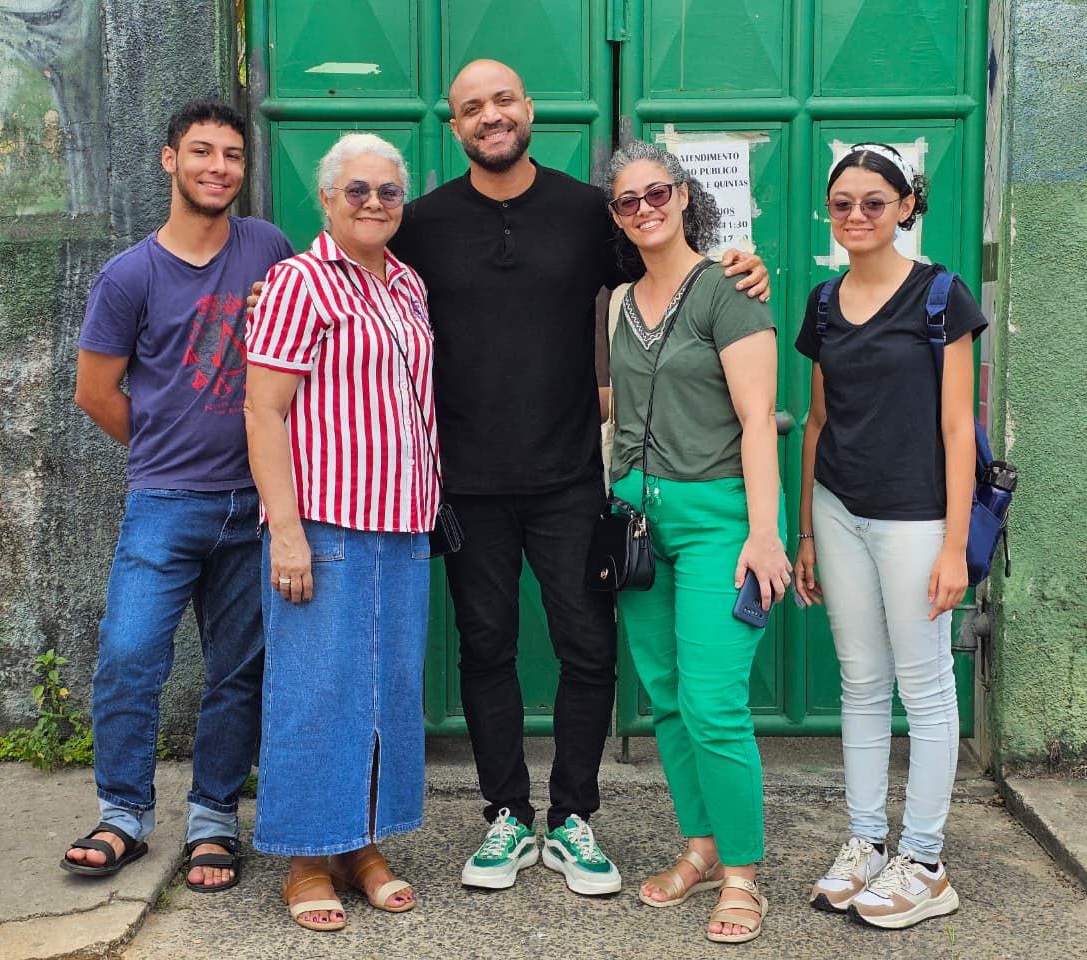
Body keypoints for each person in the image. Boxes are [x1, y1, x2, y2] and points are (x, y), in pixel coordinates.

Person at [384, 59, 771, 897]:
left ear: (529, 109)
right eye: (471, 108)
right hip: (465, 483)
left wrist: (741, 266)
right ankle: (505, 818)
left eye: (503, 101)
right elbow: (357, 276)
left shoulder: (586, 213)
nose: (490, 116)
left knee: (587, 650)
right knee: (486, 650)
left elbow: (668, 264)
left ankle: (572, 819)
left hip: (573, 479)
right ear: (454, 128)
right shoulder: (418, 224)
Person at [63, 100, 293, 891]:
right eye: (202, 152)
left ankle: (213, 818)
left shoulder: (268, 247)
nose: (218, 167)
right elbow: (94, 394)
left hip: (258, 501)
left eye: (232, 155)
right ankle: (123, 812)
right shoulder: (130, 275)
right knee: (129, 656)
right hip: (165, 502)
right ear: (170, 161)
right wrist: (164, 446)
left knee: (239, 669)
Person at [244, 132, 439, 932]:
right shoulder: (298, 282)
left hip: (405, 524)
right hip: (325, 524)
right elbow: (264, 410)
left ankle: (363, 846)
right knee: (316, 692)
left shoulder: (406, 285)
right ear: (326, 199)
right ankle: (304, 861)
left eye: (387, 192)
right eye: (356, 190)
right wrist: (284, 531)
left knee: (388, 691)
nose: (373, 204)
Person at [602, 140, 789, 944]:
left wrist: (764, 533)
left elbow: (757, 422)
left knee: (714, 703)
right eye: (626, 201)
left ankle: (744, 875)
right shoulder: (616, 303)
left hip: (721, 523)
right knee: (669, 700)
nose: (643, 209)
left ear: (683, 196)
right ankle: (702, 848)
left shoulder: (728, 289)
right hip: (640, 525)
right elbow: (613, 415)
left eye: (656, 194)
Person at [794, 142, 983, 929]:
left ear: (906, 206)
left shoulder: (940, 297)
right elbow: (815, 420)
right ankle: (868, 842)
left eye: (875, 201)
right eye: (843, 204)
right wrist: (804, 529)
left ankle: (926, 862)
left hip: (916, 518)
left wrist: (953, 546)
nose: (858, 216)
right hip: (840, 509)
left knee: (927, 689)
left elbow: (957, 428)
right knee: (862, 682)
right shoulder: (826, 300)